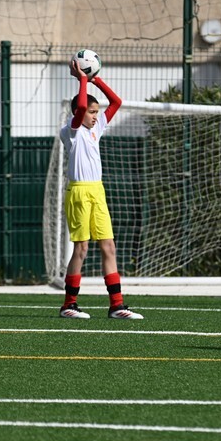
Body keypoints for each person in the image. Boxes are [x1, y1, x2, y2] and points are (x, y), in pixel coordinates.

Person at [57, 60, 143, 320]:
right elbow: (82, 106)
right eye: (92, 112)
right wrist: (82, 80)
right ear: (77, 113)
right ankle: (69, 305)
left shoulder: (97, 127)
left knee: (109, 247)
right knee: (81, 249)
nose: (95, 116)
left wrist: (96, 80)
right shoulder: (70, 131)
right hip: (79, 193)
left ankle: (116, 305)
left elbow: (116, 102)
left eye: (96, 112)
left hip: (98, 192)